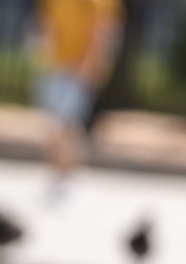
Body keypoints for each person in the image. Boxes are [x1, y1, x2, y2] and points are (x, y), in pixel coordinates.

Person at [34, 0, 123, 197]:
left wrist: (90, 68)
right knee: (52, 124)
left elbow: (103, 32)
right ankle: (57, 174)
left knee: (69, 125)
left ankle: (69, 176)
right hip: (55, 66)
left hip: (79, 70)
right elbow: (46, 23)